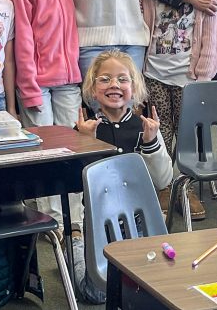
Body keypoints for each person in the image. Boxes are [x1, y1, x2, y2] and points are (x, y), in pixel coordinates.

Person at [74, 49, 172, 303]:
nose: (114, 85)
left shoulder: (145, 127)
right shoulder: (85, 130)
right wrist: (84, 144)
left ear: (134, 87)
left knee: (147, 285)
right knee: (95, 294)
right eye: (105, 79)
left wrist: (151, 143)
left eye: (122, 79)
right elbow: (74, 184)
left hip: (139, 219)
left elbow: (163, 180)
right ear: (93, 88)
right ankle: (75, 249)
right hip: (98, 222)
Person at [9, 0, 83, 231]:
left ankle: (75, 218)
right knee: (43, 151)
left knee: (71, 149)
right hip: (37, 83)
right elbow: (22, 42)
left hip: (68, 80)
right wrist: (28, 90)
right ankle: (50, 220)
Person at [140, 0, 217, 220]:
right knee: (161, 132)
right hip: (155, 74)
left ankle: (184, 186)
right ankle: (162, 186)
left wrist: (203, 75)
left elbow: (211, 38)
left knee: (186, 136)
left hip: (189, 77)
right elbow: (144, 27)